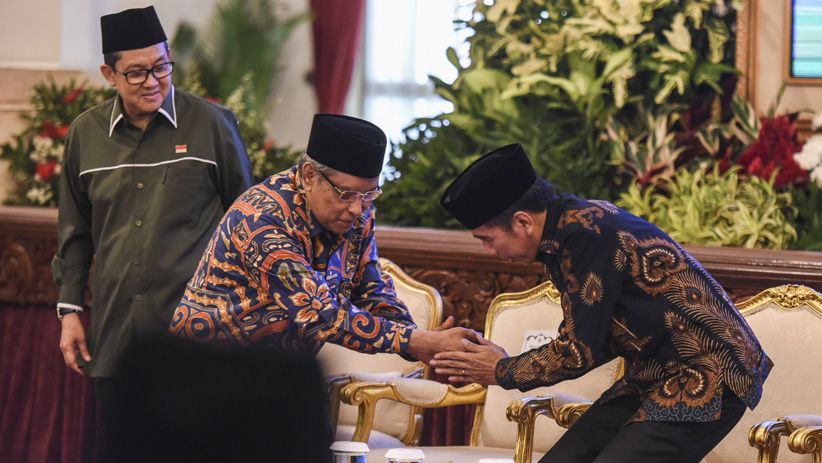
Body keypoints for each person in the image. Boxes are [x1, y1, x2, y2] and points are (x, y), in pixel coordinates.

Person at [430, 143, 773, 463]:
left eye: (488, 239)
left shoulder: (584, 235)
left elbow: (578, 352)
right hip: (653, 374)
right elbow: (596, 338)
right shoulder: (565, 233)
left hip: (708, 374)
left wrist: (500, 369)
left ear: (522, 221)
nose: (489, 252)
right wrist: (503, 365)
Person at [53, 5, 252, 460]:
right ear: (110, 73)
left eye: (162, 66)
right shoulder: (85, 134)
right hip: (117, 337)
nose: (154, 81)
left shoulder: (212, 125)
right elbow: (74, 230)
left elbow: (246, 225)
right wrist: (68, 312)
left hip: (198, 339)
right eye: (137, 72)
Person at [170, 113, 475, 363]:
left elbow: (370, 290)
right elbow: (319, 312)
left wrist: (422, 341)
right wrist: (415, 341)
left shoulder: (358, 212)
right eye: (346, 193)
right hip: (204, 373)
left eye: (369, 194)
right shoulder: (261, 219)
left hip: (270, 376)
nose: (357, 208)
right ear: (309, 175)